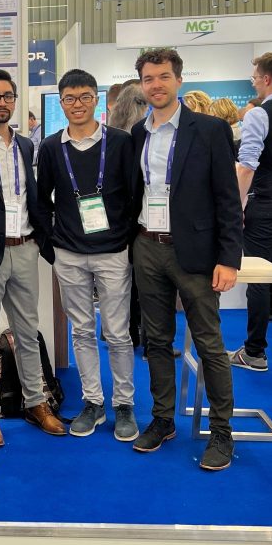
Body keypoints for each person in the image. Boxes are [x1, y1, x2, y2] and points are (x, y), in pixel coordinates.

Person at [128, 48, 242, 471]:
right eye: (148, 78)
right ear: (141, 85)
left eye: (163, 76)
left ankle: (222, 432)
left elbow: (228, 199)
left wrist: (229, 258)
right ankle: (162, 420)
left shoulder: (209, 130)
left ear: (178, 79)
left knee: (209, 343)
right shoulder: (138, 133)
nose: (155, 85)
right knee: (156, 340)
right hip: (147, 246)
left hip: (194, 251)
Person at [37, 69, 137, 441]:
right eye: (69, 98)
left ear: (97, 99)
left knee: (117, 332)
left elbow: (133, 195)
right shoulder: (51, 147)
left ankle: (124, 404)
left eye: (84, 97)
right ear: (61, 103)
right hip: (69, 253)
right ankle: (93, 401)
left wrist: (124, 237)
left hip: (112, 251)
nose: (77, 105)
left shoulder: (121, 142)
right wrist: (52, 245)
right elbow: (41, 200)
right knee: (81, 331)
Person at [0, 70, 62, 447]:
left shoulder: (24, 145)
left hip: (25, 249)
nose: (2, 103)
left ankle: (36, 402)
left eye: (8, 96)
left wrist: (38, 240)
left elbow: (31, 196)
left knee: (27, 332)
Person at [230, 52, 272, 371]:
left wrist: (236, 206)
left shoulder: (259, 114)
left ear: (266, 79)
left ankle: (254, 351)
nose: (254, 82)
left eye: (255, 77)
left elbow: (247, 165)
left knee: (258, 277)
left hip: (265, 203)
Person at [106, 82, 149, 350]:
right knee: (140, 282)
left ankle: (122, 331)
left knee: (122, 283)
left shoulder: (112, 135)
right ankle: (142, 334)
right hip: (138, 218)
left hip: (118, 220)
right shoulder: (139, 136)